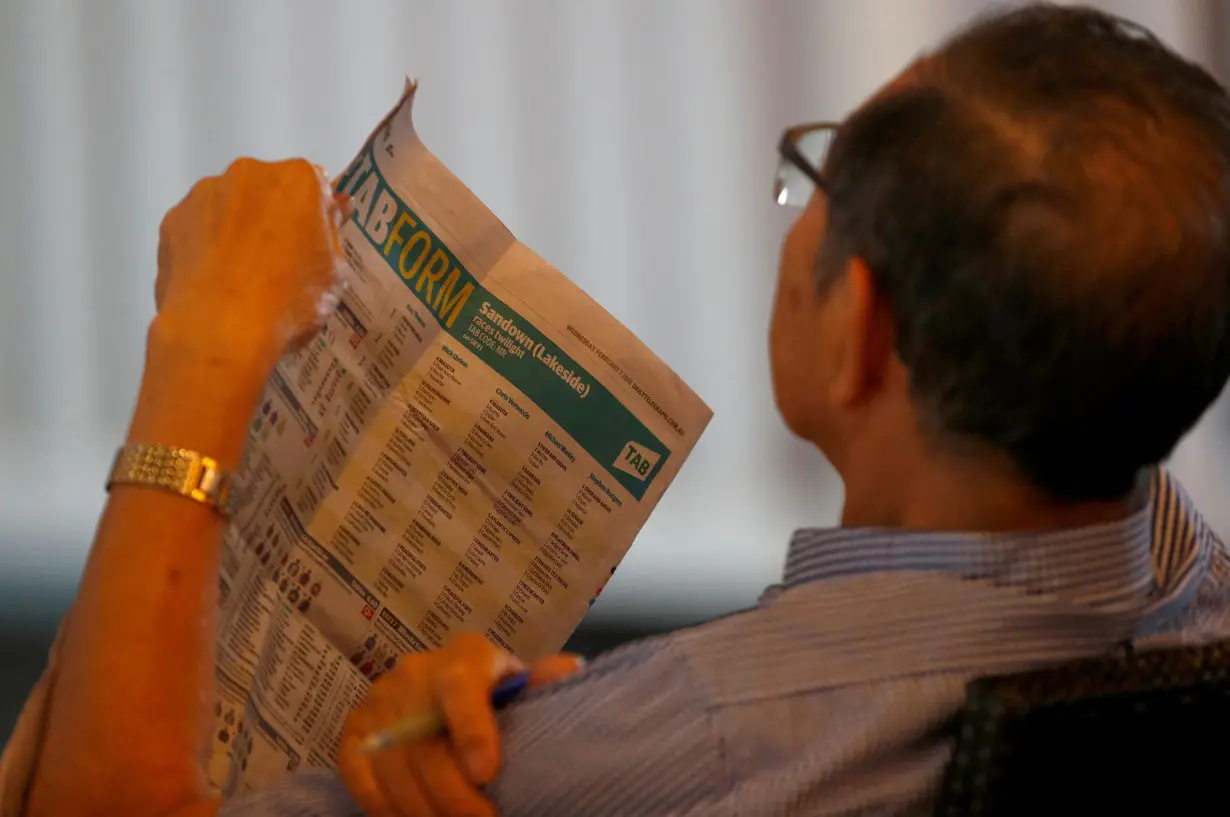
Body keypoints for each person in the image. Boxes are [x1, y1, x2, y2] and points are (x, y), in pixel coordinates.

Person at [3, 3, 1230, 816]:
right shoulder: (1202, 598)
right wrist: (575, 716)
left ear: (862, 332)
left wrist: (205, 348)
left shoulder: (699, 740)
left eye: (825, 174)